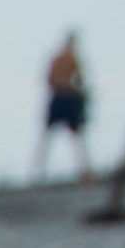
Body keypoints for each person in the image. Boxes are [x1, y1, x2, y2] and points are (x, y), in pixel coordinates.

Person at [36, 33, 91, 180]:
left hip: (58, 96)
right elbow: (79, 80)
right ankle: (84, 171)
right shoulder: (71, 58)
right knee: (75, 135)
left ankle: (38, 172)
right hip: (69, 97)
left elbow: (48, 79)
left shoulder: (56, 59)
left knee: (51, 135)